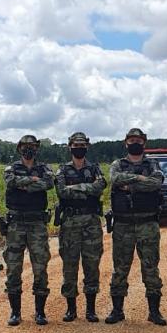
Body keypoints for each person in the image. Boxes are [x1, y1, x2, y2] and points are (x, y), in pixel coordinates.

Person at [106, 128, 166, 325]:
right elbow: (114, 179)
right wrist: (141, 179)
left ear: (144, 143)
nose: (135, 143)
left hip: (147, 223)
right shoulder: (118, 164)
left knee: (150, 267)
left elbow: (156, 183)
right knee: (120, 268)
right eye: (131, 140)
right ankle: (117, 311)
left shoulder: (152, 163)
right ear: (126, 143)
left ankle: (154, 312)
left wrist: (131, 182)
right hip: (123, 224)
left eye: (138, 140)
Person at [3, 135, 54, 326]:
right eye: (26, 146)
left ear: (37, 148)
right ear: (19, 148)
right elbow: (10, 181)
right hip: (16, 223)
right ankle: (15, 313)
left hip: (37, 223)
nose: (29, 149)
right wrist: (32, 181)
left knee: (40, 267)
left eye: (32, 146)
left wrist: (24, 184)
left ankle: (40, 312)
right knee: (13, 268)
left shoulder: (44, 169)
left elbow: (48, 183)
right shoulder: (12, 168)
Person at [55, 132, 106, 322]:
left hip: (91, 222)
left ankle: (90, 310)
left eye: (82, 144)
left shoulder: (94, 168)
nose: (79, 147)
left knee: (92, 265)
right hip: (70, 223)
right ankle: (71, 309)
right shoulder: (63, 170)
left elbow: (100, 186)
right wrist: (87, 187)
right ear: (70, 147)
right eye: (76, 145)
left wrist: (74, 188)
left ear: (87, 146)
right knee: (69, 266)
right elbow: (61, 191)